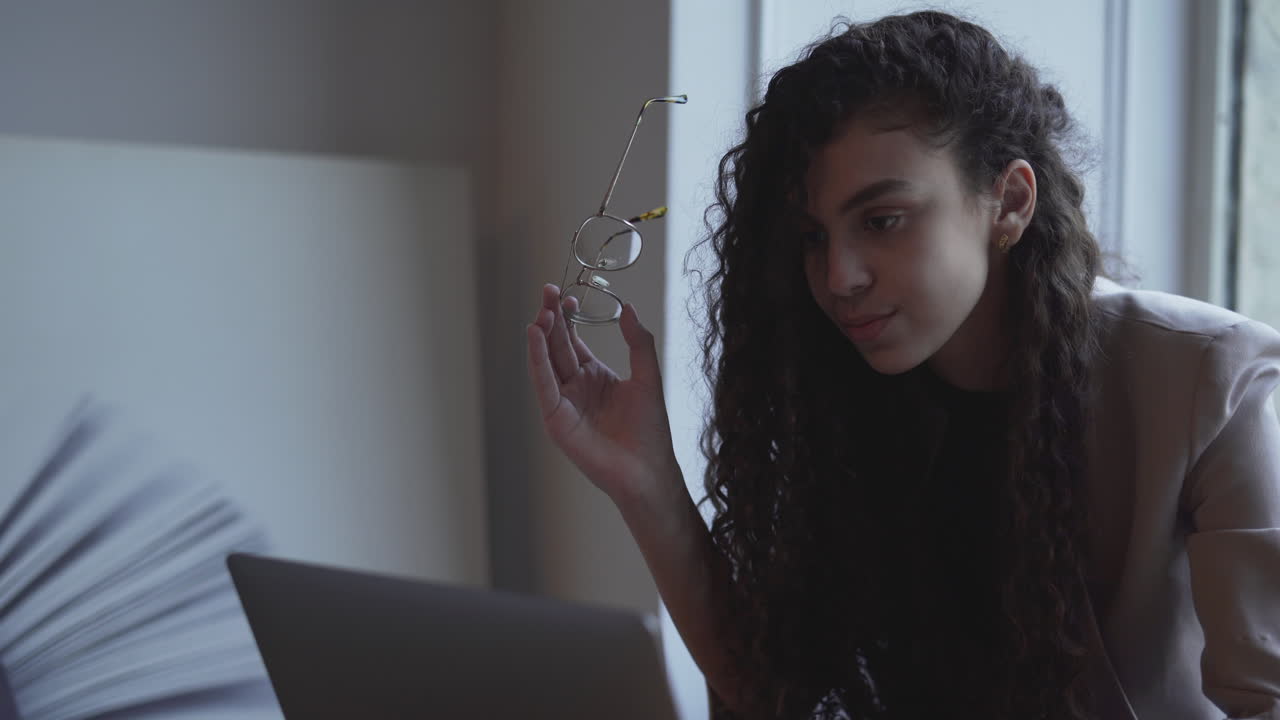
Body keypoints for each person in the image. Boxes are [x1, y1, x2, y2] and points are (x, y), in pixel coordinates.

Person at [526, 10, 1280, 720]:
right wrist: (646, 480)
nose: (840, 276)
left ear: (1010, 202)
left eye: (882, 221)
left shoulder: (1211, 380)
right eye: (814, 237)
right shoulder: (847, 391)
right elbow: (771, 681)